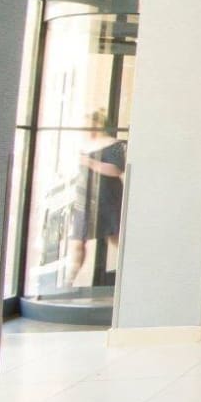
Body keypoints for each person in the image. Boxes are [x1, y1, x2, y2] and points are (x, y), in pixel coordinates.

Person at [67, 109, 126, 287]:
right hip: (85, 198)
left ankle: (130, 274)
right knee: (78, 241)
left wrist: (89, 162)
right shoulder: (84, 146)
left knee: (114, 237)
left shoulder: (114, 144)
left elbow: (117, 169)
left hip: (107, 197)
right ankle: (69, 281)